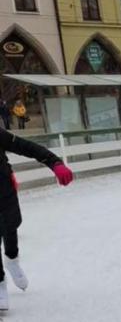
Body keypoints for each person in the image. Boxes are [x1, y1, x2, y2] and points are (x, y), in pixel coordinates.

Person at [0, 122, 74, 312]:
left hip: (4, 191)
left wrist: (54, 162)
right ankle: (0, 283)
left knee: (11, 226)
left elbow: (27, 147)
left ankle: (12, 259)